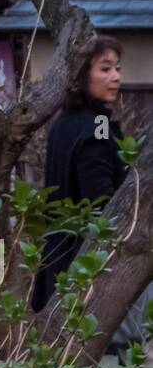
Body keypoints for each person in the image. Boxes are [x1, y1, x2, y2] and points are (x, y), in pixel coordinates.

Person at [31, 35, 126, 318]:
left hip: (58, 259)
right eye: (105, 68)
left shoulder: (64, 123)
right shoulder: (96, 125)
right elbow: (100, 200)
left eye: (118, 68)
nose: (116, 77)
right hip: (86, 265)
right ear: (82, 74)